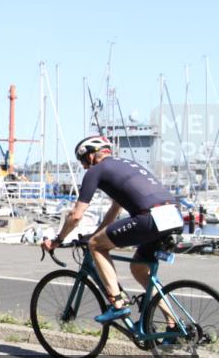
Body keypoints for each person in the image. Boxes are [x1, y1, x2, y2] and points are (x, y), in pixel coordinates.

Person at [42, 136, 184, 324]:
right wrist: (97, 234)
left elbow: (76, 215)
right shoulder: (126, 164)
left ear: (92, 156)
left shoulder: (97, 170)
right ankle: (173, 323)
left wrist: (57, 240)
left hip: (149, 217)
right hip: (174, 215)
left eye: (83, 161)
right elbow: (116, 207)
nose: (84, 167)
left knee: (96, 246)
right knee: (139, 269)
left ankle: (117, 304)